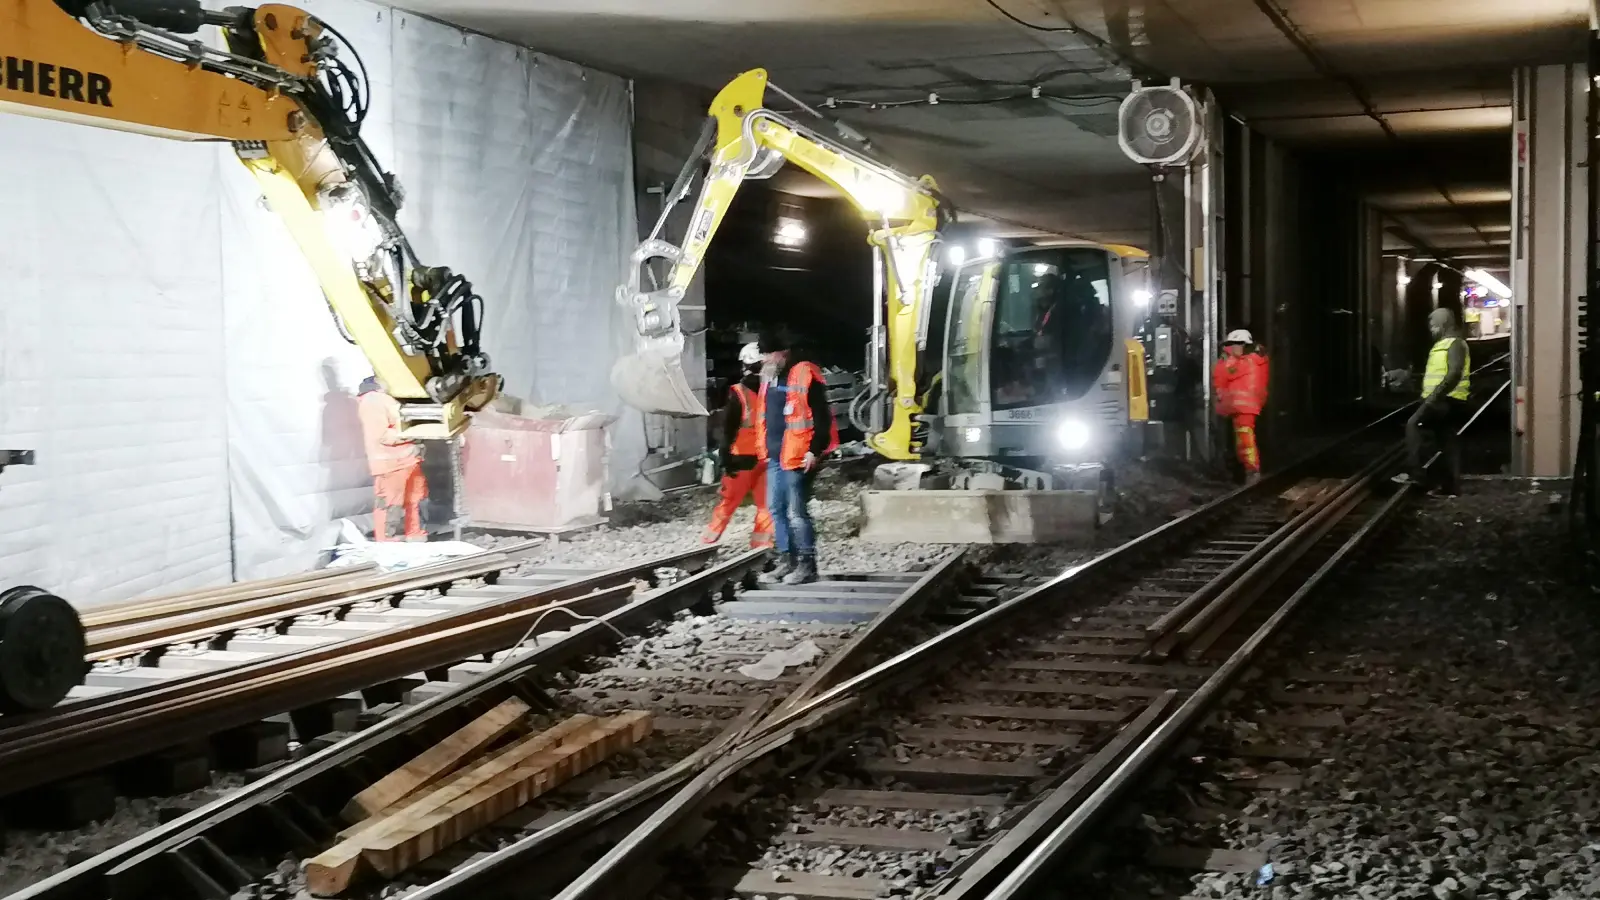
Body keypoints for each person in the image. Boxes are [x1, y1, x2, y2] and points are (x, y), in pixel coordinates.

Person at [756, 329, 839, 585]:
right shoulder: (769, 378)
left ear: (783, 353)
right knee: (776, 510)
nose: (765, 359)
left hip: (798, 456)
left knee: (796, 512)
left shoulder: (804, 373)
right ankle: (786, 561)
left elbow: (822, 417)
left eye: (770, 353)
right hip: (776, 456)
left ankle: (806, 565)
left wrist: (815, 449)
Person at [701, 343, 776, 548]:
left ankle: (709, 540)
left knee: (728, 502)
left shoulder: (738, 392)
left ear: (744, 364)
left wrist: (724, 457)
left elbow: (729, 428)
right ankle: (761, 546)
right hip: (768, 456)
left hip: (741, 457)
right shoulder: (773, 389)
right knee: (765, 505)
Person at [1396, 308, 1471, 496]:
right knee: (1447, 442)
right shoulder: (1443, 344)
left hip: (1446, 400)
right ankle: (1450, 488)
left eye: (1432, 323)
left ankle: (1415, 474)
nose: (1430, 328)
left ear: (1443, 323)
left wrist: (1434, 396)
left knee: (1413, 425)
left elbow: (1454, 373)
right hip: (1443, 399)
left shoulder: (1455, 344)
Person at [357, 375, 428, 542]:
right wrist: (414, 432)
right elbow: (381, 435)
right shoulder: (373, 400)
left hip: (409, 460)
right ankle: (388, 539)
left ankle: (414, 534)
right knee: (391, 503)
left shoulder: (389, 398)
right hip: (391, 464)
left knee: (414, 499)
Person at [1213, 329, 1270, 485]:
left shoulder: (1242, 362)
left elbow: (1225, 375)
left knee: (1245, 438)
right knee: (1242, 440)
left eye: (1236, 344)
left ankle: (1252, 471)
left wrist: (1224, 361)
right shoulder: (1256, 359)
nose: (1233, 348)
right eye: (1232, 345)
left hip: (1243, 408)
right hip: (1241, 408)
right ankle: (1247, 470)